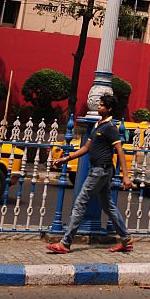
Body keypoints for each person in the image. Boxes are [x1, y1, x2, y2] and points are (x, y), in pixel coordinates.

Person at [47, 93, 133, 254]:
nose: (98, 107)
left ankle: (65, 242)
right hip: (98, 170)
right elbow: (86, 148)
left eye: (101, 105)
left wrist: (126, 176)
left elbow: (120, 152)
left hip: (101, 170)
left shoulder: (110, 128)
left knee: (80, 202)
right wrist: (66, 158)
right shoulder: (97, 126)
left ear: (109, 109)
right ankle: (126, 239)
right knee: (108, 206)